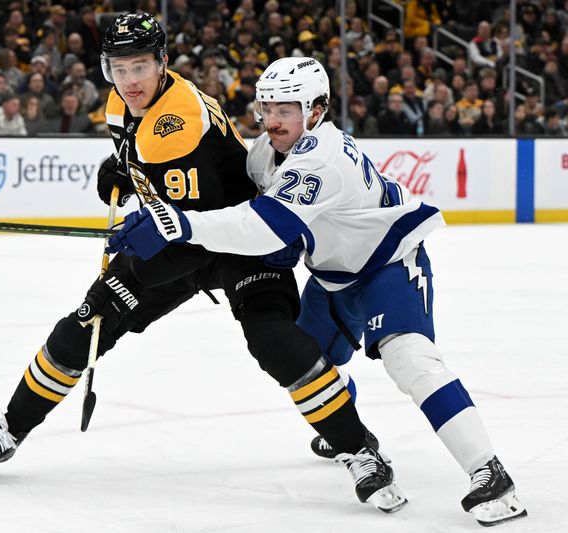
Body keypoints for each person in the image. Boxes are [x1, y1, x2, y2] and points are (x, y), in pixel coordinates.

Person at [0, 13, 405, 513]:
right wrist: (122, 172)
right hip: (182, 236)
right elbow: (160, 185)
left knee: (273, 340)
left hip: (243, 241)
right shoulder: (123, 106)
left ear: (163, 63)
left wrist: (134, 271)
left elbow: (200, 235)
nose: (130, 81)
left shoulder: (178, 122)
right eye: (118, 69)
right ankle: (9, 431)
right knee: (86, 322)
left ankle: (358, 448)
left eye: (140, 66)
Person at [108, 56, 528, 528]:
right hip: (331, 278)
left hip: (387, 267)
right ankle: (352, 442)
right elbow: (243, 209)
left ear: (317, 109)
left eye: (286, 109)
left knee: (410, 360)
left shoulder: (321, 158)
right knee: (305, 365)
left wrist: (175, 226)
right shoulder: (265, 152)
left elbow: (263, 227)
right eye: (267, 108)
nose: (272, 121)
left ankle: (491, 474)